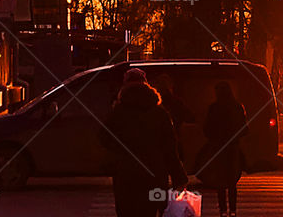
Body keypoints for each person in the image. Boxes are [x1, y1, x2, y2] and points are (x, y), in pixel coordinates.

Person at [101, 68, 188, 217]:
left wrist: (120, 153)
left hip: (126, 175)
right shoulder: (159, 113)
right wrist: (179, 176)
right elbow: (170, 148)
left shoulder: (119, 113)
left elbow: (103, 137)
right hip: (155, 174)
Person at [198, 81, 247, 217]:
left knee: (220, 180)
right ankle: (232, 210)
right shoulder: (237, 107)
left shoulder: (214, 108)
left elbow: (207, 128)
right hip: (232, 147)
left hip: (218, 147)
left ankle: (223, 210)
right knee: (232, 181)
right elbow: (244, 128)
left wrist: (214, 136)